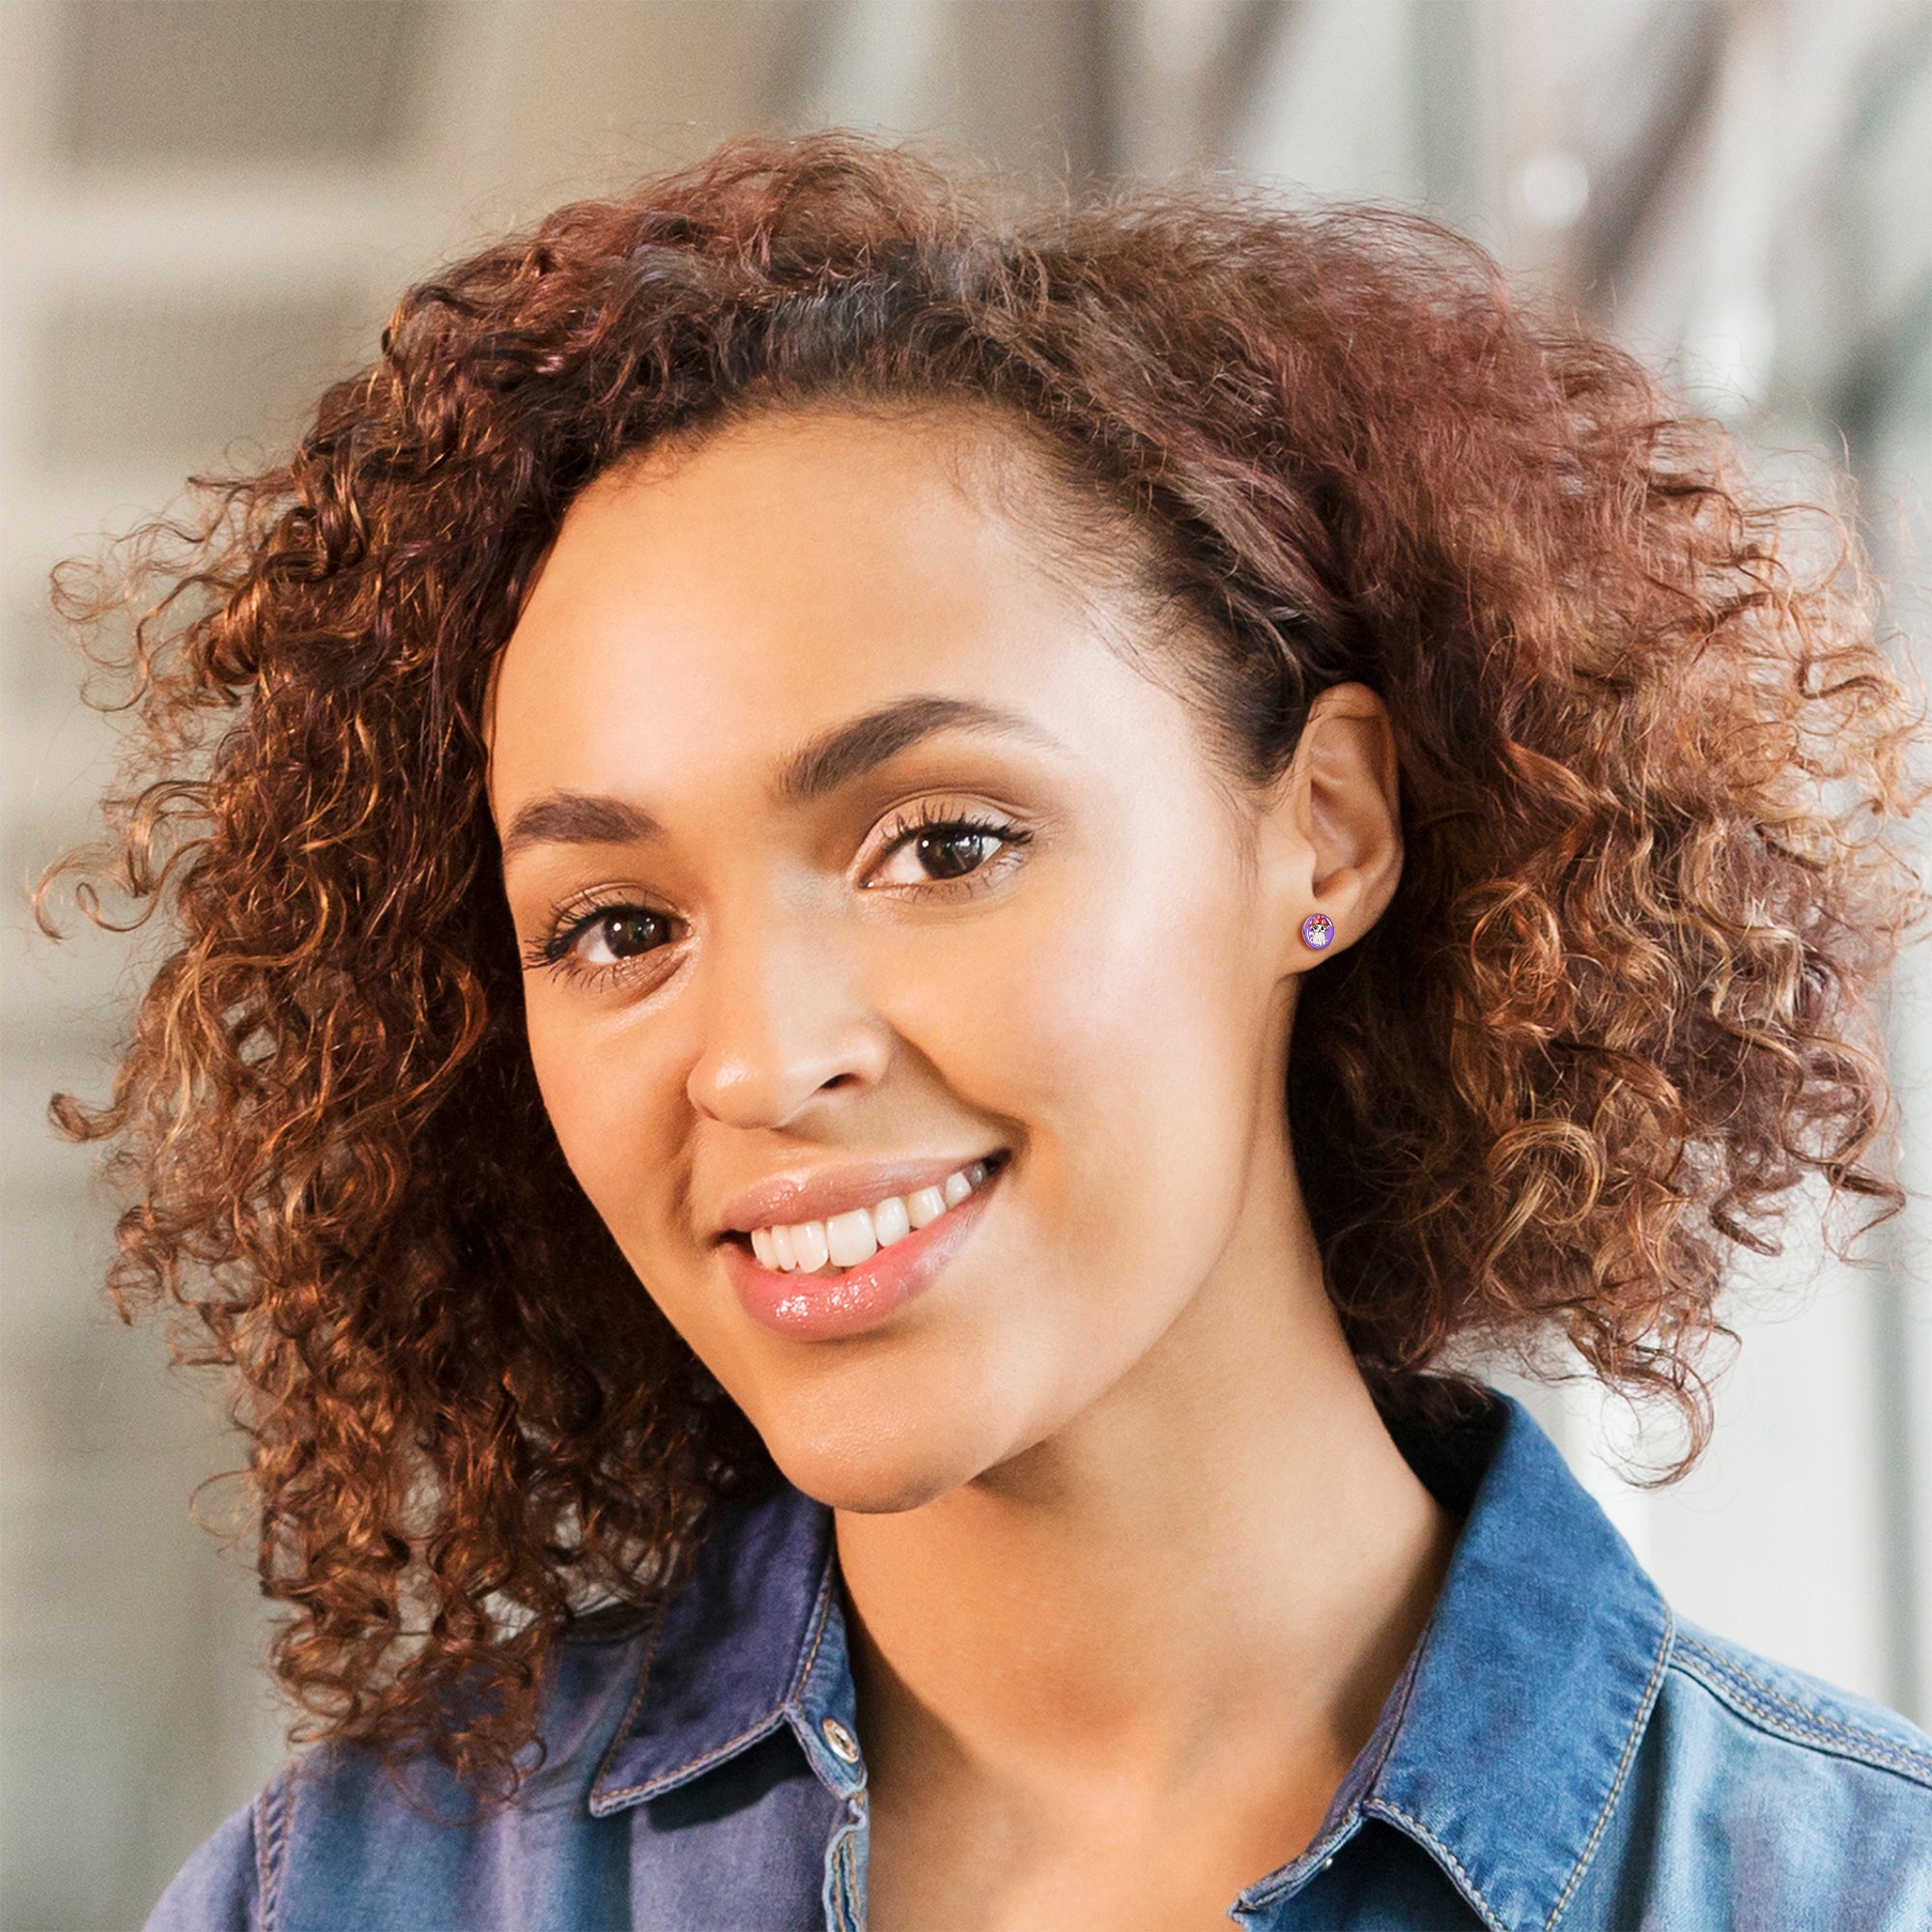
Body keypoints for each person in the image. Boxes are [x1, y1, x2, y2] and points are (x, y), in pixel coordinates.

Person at [47, 132, 1930, 1931]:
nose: (762, 1059)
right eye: (616, 925)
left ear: (1326, 831)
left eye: (941, 844)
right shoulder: (364, 1896)